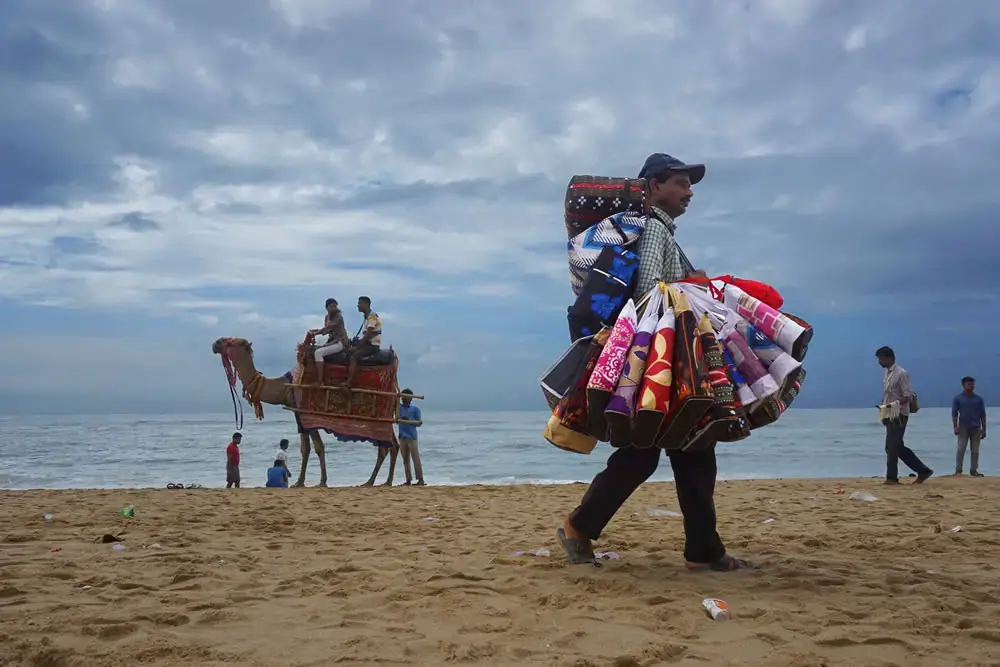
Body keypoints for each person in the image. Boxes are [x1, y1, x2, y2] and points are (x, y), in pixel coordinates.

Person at [557, 153, 748, 572]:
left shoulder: (656, 232)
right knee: (645, 452)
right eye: (681, 183)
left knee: (693, 448)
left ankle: (702, 548)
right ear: (655, 186)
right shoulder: (656, 229)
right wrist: (691, 288)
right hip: (656, 360)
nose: (689, 192)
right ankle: (578, 527)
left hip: (655, 358)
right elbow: (652, 294)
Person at [876, 346, 933, 484]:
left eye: (881, 359)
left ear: (889, 358)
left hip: (899, 414)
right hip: (889, 413)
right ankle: (922, 470)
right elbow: (887, 395)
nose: (879, 362)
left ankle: (891, 477)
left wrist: (894, 404)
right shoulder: (887, 373)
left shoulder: (901, 373)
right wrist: (884, 412)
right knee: (894, 446)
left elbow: (908, 394)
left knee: (892, 446)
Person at [309, 298, 350, 385]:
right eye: (332, 306)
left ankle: (320, 381)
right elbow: (326, 330)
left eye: (335, 306)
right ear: (326, 307)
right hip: (331, 341)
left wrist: (315, 333)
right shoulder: (327, 317)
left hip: (339, 342)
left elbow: (328, 328)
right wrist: (313, 331)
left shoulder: (338, 316)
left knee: (318, 353)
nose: (334, 308)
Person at [952, 376, 987, 477]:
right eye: (969, 384)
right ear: (963, 385)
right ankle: (958, 470)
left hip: (976, 428)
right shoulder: (958, 398)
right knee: (961, 449)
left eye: (972, 384)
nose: (971, 386)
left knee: (975, 450)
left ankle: (974, 470)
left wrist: (984, 429)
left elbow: (982, 414)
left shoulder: (978, 399)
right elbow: (954, 413)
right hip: (963, 427)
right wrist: (955, 426)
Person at [344, 296, 382, 386]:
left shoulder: (371, 317)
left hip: (371, 345)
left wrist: (357, 347)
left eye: (360, 303)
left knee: (353, 357)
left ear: (366, 304)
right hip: (368, 344)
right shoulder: (368, 317)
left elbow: (368, 334)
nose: (358, 305)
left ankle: (348, 382)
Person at [398, 389, 425, 486]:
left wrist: (409, 420)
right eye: (403, 396)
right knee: (405, 459)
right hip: (402, 435)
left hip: (412, 436)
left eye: (407, 396)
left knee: (415, 458)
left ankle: (420, 479)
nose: (404, 398)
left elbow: (419, 423)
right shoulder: (399, 408)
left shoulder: (415, 409)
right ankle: (408, 479)